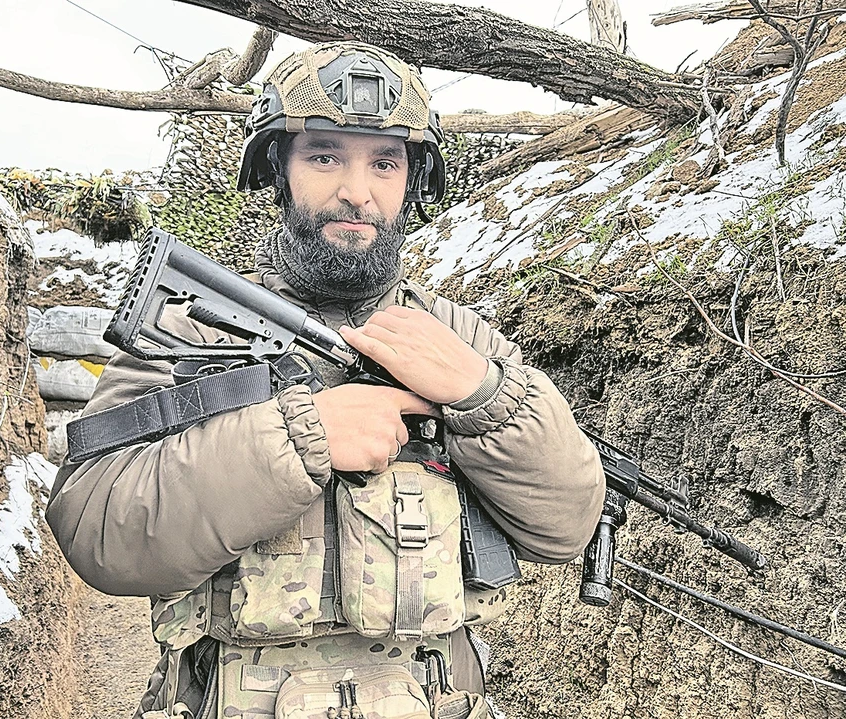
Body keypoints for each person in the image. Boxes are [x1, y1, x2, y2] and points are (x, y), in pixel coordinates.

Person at [46, 41, 605, 719]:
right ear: (278, 169)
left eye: (384, 163)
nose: (356, 192)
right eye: (324, 156)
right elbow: (94, 528)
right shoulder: (196, 329)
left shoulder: (460, 339)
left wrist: (483, 395)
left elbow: (566, 526)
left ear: (412, 183)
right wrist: (300, 438)